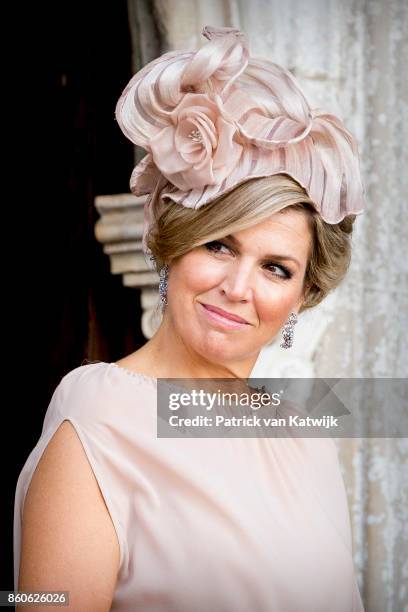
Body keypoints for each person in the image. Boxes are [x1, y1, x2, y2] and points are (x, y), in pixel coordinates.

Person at [13, 25, 365, 611]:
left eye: (276, 268)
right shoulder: (100, 421)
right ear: (175, 246)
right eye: (219, 246)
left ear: (303, 294)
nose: (237, 288)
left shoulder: (305, 438)